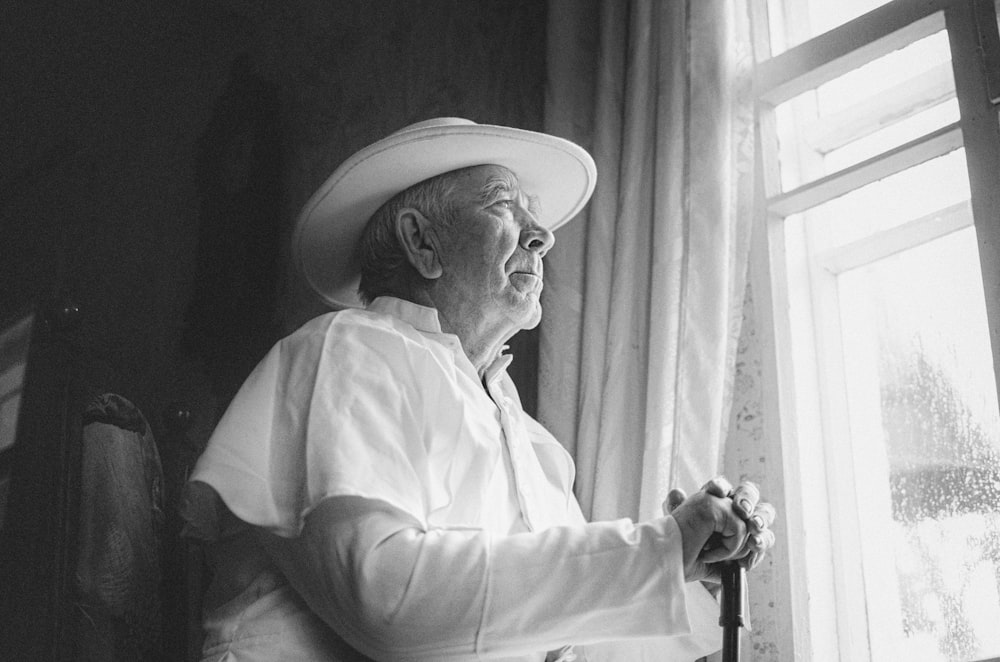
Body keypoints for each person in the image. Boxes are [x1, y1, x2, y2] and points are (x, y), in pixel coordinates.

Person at [182, 117, 777, 662]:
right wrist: (656, 552)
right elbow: (389, 600)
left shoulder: (536, 445)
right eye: (504, 206)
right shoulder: (348, 350)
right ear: (423, 244)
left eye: (534, 214)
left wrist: (690, 563)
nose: (542, 235)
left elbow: (575, 639)